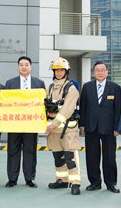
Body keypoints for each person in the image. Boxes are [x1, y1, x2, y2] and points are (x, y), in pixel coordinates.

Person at [79, 61, 121, 193]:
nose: (100, 72)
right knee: (92, 156)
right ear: (93, 72)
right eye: (97, 70)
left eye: (103, 70)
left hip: (109, 128)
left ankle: (111, 183)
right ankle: (95, 182)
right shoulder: (87, 87)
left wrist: (117, 128)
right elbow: (83, 107)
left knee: (109, 157)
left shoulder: (115, 87)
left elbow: (118, 109)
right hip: (91, 127)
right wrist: (82, 125)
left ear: (107, 72)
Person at [5, 56, 45, 188]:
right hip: (14, 124)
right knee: (12, 151)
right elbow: (5, 105)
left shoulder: (39, 84)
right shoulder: (10, 83)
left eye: (26, 64)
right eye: (21, 64)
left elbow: (42, 105)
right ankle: (12, 179)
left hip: (31, 124)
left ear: (31, 67)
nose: (23, 67)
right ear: (18, 67)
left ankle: (30, 178)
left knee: (30, 151)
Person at [45, 57, 81, 195]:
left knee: (70, 157)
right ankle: (62, 180)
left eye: (61, 70)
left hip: (68, 130)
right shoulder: (50, 87)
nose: (58, 72)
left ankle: (75, 183)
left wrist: (53, 124)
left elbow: (66, 110)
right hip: (54, 131)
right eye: (56, 70)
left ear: (66, 71)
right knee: (58, 157)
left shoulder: (71, 88)